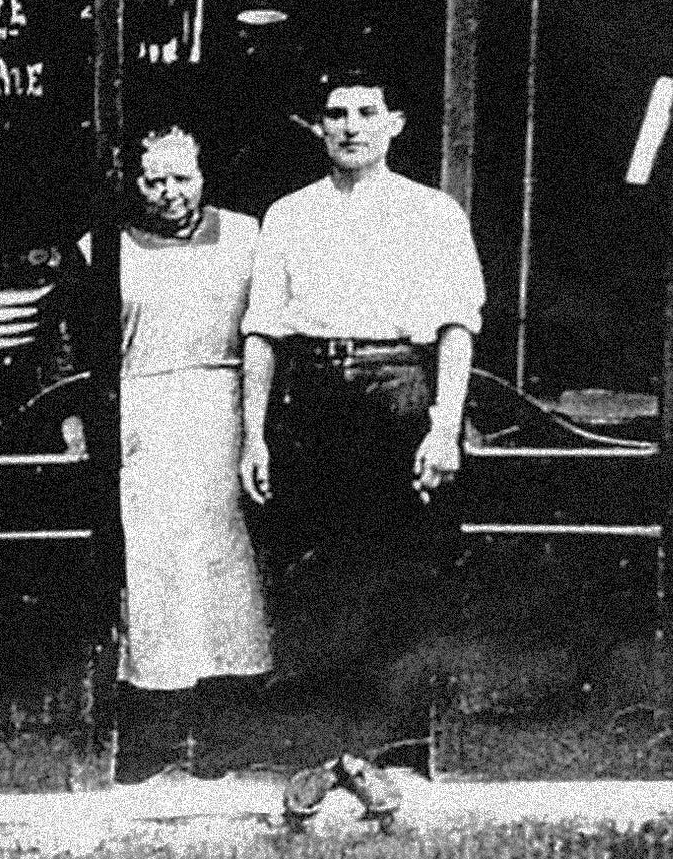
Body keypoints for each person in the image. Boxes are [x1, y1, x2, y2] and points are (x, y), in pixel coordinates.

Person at [238, 62, 484, 818]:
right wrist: (254, 435)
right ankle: (317, 753)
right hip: (310, 394)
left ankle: (369, 754)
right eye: (335, 113)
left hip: (394, 389)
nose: (349, 126)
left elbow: (456, 327)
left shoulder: (432, 213)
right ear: (318, 126)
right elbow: (262, 333)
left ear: (395, 123)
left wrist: (444, 425)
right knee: (311, 575)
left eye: (365, 111)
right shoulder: (288, 215)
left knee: (387, 570)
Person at [86, 120, 272, 781]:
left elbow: (270, 334)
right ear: (134, 184)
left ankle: (223, 739)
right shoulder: (103, 251)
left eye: (181, 177)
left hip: (226, 415)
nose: (168, 192)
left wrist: (260, 426)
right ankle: (153, 739)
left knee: (224, 576)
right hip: (146, 419)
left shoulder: (250, 237)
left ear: (204, 175)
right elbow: (81, 351)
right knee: (156, 576)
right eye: (153, 179)